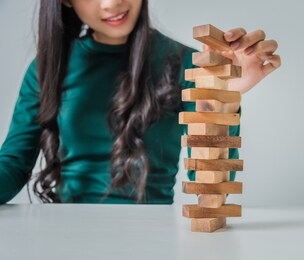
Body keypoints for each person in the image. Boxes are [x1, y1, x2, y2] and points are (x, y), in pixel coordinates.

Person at [0, 0, 280, 204]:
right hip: (64, 236)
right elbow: (13, 164)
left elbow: (211, 195)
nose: (112, 3)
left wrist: (223, 99)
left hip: (150, 236)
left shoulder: (191, 66)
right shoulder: (47, 68)